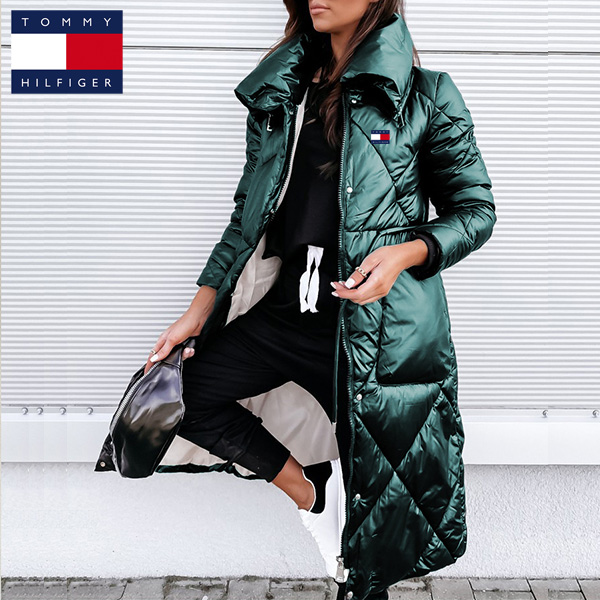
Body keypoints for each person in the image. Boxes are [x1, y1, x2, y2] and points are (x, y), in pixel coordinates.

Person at [145, 2, 496, 599]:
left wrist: (404, 254)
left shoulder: (427, 95)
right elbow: (247, 215)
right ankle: (312, 491)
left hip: (372, 334)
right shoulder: (285, 93)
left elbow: (475, 211)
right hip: (285, 315)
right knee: (184, 395)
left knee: (371, 530)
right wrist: (199, 309)